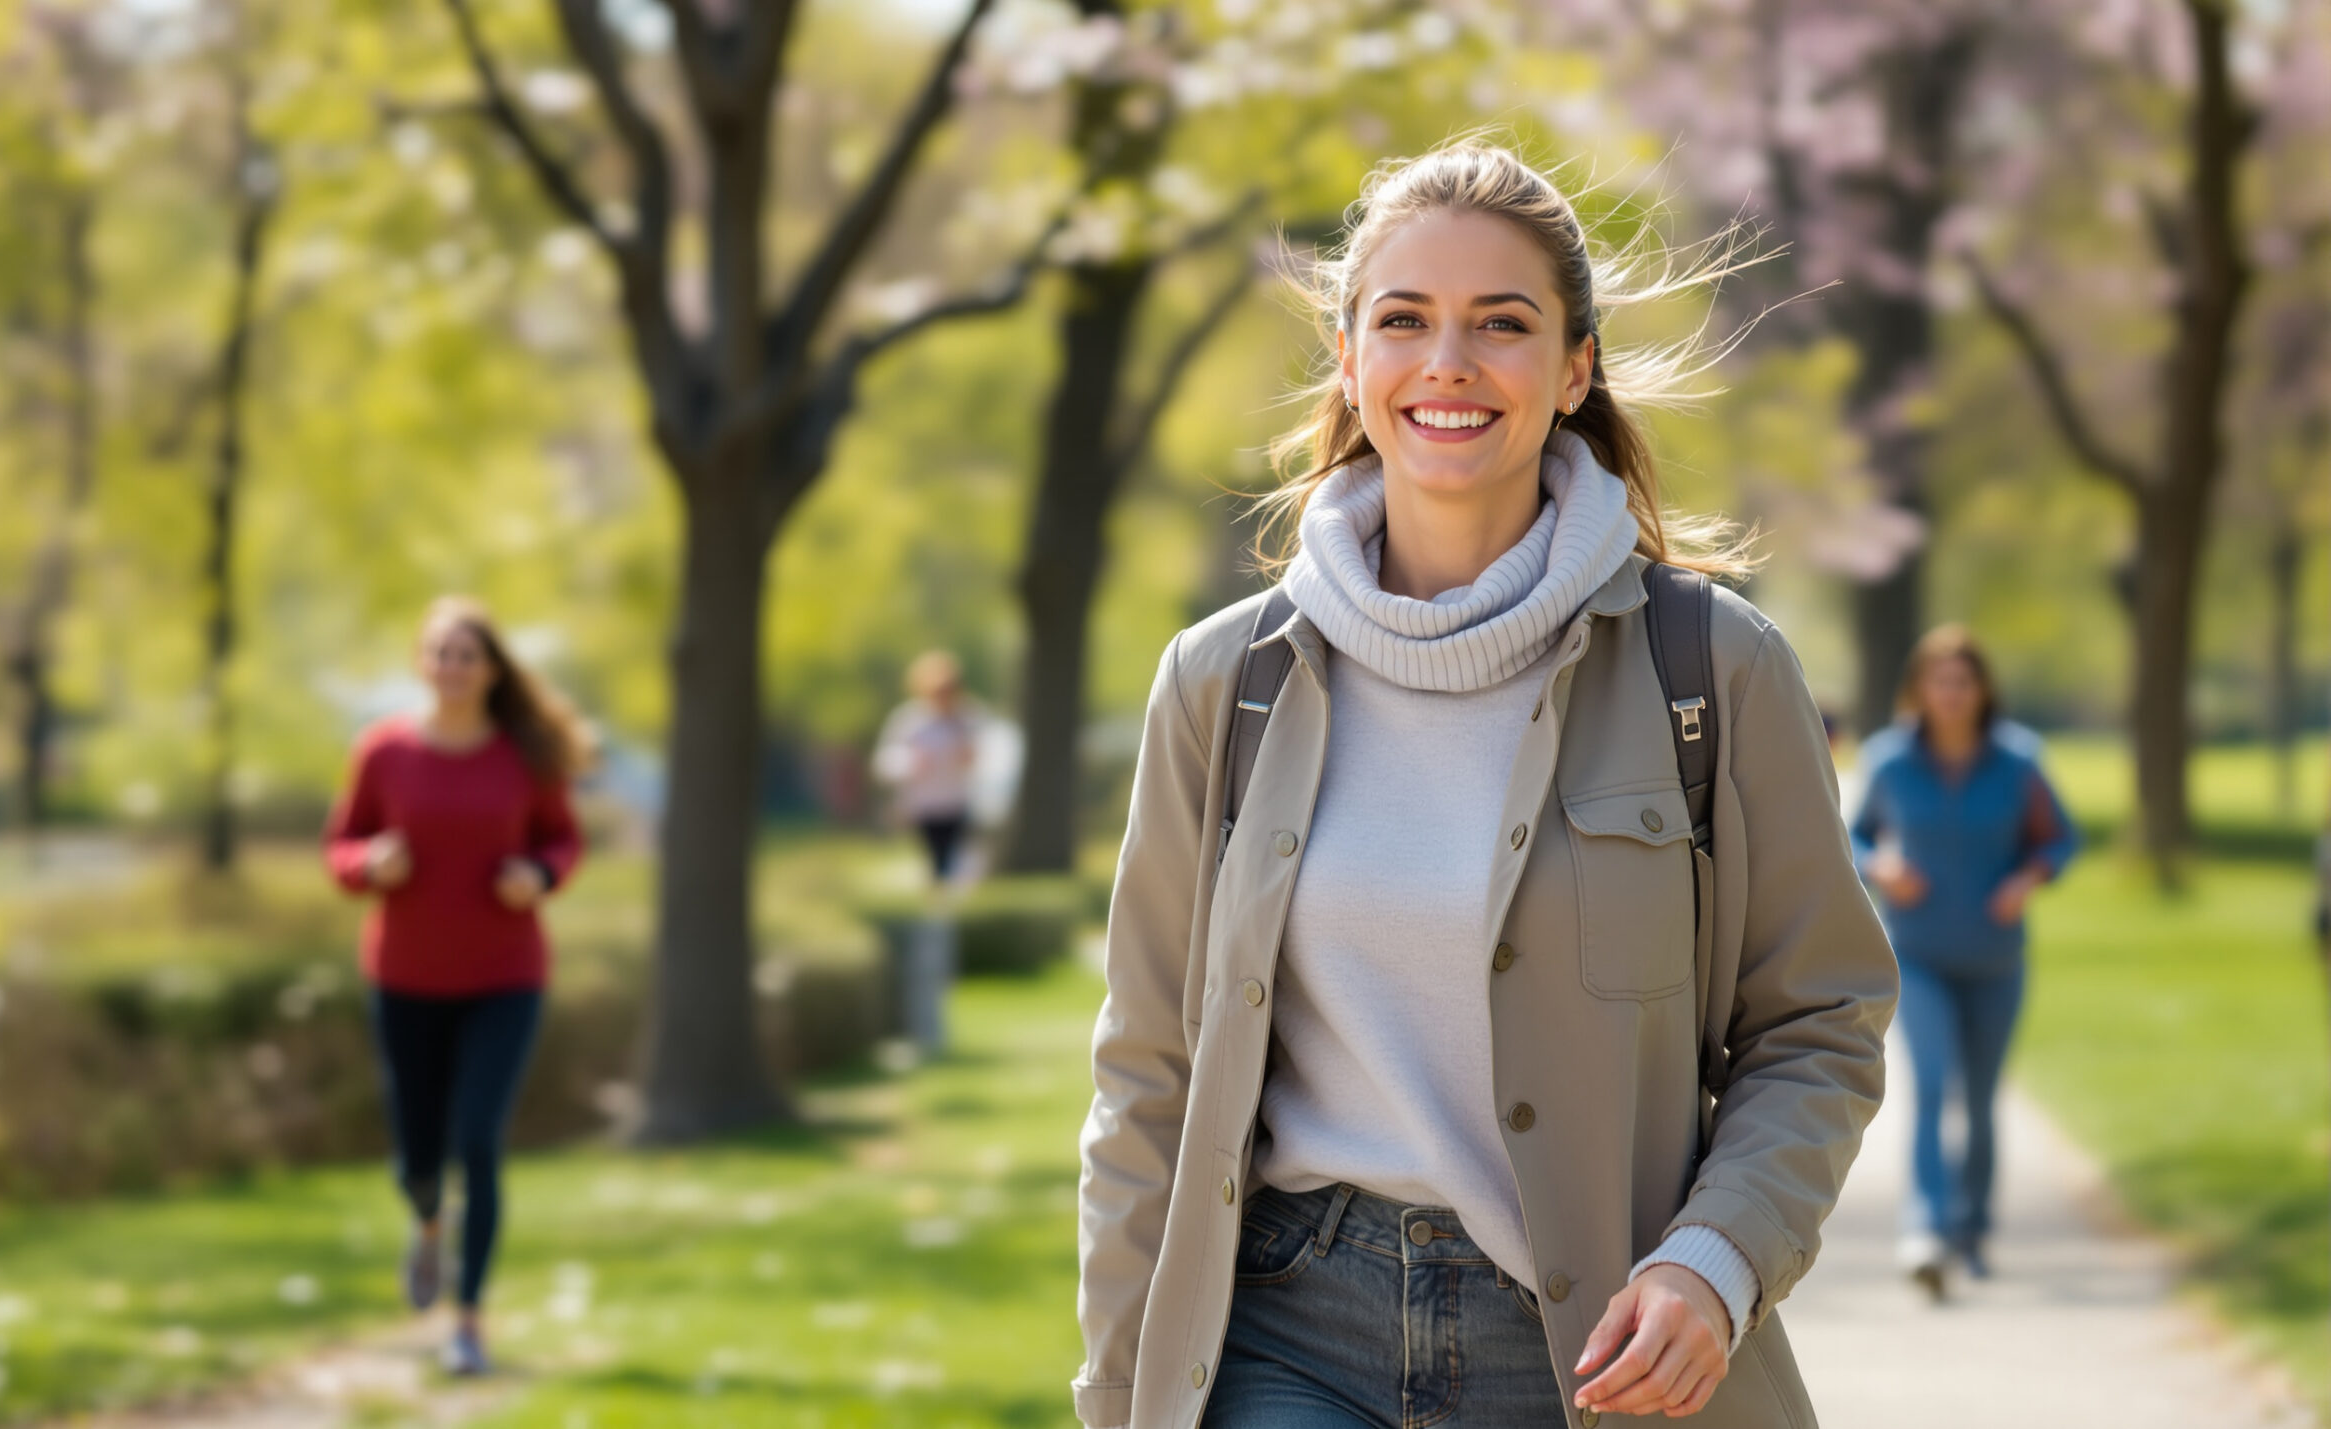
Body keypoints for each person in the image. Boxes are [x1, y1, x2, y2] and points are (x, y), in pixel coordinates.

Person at [1074, 140, 1897, 1429]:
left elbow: (1819, 1020)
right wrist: (1121, 1391)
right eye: (1403, 320)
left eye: (1501, 323)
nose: (1447, 362)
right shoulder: (1222, 680)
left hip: (1593, 1355)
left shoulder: (1713, 668)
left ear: (1574, 369)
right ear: (1349, 359)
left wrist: (1716, 1260)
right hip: (1285, 1333)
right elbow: (1147, 1073)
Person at [324, 596, 592, 1376]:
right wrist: (369, 863)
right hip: (405, 975)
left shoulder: (524, 755)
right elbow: (341, 846)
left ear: (492, 669)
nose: (451, 666)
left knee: (477, 1138)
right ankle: (428, 1223)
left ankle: (468, 1320)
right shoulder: (383, 750)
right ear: (421, 663)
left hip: (505, 976)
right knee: (416, 1156)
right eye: (439, 652)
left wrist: (539, 873)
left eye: (466, 654)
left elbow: (563, 840)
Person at [1848, 625, 2075, 1298]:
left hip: (1995, 959)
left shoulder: (2019, 761)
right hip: (1917, 954)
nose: (1950, 693)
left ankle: (1972, 1231)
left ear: (1982, 690)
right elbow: (1853, 836)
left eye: (1962, 681)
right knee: (1929, 1086)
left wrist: (2026, 879)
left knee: (1979, 1100)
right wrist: (1881, 866)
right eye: (1938, 680)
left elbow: (2059, 839)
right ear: (1919, 689)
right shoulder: (1890, 760)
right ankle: (1926, 1231)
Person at [874, 650, 981, 886]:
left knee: (955, 859)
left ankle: (948, 896)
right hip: (923, 805)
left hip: (956, 801)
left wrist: (969, 757)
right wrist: (911, 762)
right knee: (935, 860)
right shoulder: (908, 720)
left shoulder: (966, 719)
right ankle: (938, 897)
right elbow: (885, 763)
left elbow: (980, 755)